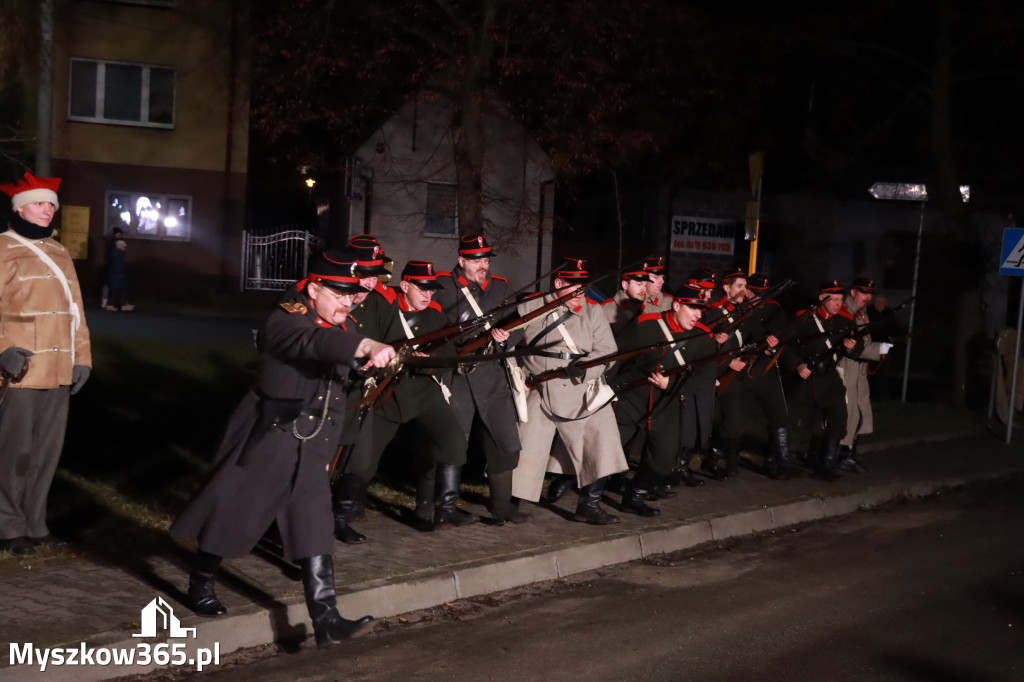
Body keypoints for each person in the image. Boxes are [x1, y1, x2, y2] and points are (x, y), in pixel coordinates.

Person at [170, 250, 395, 647]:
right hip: (269, 434)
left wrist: (372, 361)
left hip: (312, 440)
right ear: (313, 289)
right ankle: (200, 582)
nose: (348, 301)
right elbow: (315, 342)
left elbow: (335, 364)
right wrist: (363, 346)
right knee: (234, 510)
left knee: (314, 522)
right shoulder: (286, 320)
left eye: (352, 295)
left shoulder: (339, 324)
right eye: (340, 294)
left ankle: (326, 619)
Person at [0, 171, 91, 555]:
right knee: (14, 451)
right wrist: (2, 351)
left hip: (59, 369)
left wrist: (83, 358)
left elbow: (76, 312)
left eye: (51, 204)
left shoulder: (59, 252)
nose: (47, 210)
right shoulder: (2, 249)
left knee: (46, 451)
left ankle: (36, 523)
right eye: (39, 203)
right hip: (20, 368)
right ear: (20, 208)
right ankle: (7, 526)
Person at [511, 259, 628, 524]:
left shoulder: (593, 311)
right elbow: (506, 345)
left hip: (581, 387)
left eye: (583, 289)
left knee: (602, 437)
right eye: (574, 288)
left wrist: (586, 368)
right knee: (524, 446)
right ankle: (510, 502)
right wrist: (519, 377)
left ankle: (590, 504)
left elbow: (607, 351)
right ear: (558, 284)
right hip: (539, 387)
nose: (580, 295)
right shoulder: (532, 307)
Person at [366, 260, 477, 531]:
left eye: (432, 290)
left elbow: (449, 353)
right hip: (389, 396)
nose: (428, 295)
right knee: (363, 461)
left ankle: (444, 509)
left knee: (453, 442)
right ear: (404, 286)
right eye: (422, 288)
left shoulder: (436, 316)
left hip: (425, 393)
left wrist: (429, 359)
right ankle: (344, 512)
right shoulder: (385, 309)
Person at [434, 235, 528, 525]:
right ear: (461, 261)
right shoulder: (443, 288)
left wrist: (504, 337)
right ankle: (444, 506)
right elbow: (433, 333)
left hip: (492, 375)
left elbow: (517, 325)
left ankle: (501, 506)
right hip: (458, 376)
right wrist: (456, 354)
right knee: (453, 442)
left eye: (486, 260)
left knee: (503, 440)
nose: (482, 266)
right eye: (476, 261)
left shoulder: (499, 287)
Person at [609, 284, 717, 515]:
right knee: (606, 452)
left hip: (667, 405)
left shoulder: (704, 338)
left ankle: (635, 495)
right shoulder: (647, 326)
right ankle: (585, 498)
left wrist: (674, 385)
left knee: (664, 458)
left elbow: (705, 378)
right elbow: (616, 356)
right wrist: (607, 390)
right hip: (632, 399)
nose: (699, 315)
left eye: (702, 310)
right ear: (677, 305)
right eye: (693, 308)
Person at [779, 279, 860, 481]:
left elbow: (856, 348)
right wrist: (797, 365)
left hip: (830, 376)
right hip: (806, 377)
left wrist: (851, 347)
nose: (838, 304)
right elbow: (785, 346)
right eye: (834, 300)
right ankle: (780, 461)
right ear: (822, 299)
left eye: (841, 299)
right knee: (787, 419)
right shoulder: (804, 318)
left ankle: (825, 465)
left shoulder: (845, 319)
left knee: (839, 420)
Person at [837, 277, 886, 473]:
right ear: (853, 292)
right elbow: (850, 345)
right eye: (863, 293)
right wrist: (877, 349)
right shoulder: (845, 311)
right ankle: (839, 455)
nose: (867, 297)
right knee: (847, 415)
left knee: (859, 414)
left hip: (859, 372)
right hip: (847, 369)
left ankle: (847, 454)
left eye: (869, 294)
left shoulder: (862, 313)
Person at [601, 267, 651, 333]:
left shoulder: (647, 308)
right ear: (625, 285)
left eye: (646, 285)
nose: (643, 289)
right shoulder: (604, 310)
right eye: (639, 284)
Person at [105, 237, 134, 311]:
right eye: (124, 247)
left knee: (117, 290)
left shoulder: (115, 253)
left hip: (116, 275)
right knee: (118, 290)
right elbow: (119, 265)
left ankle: (118, 305)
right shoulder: (118, 254)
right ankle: (119, 305)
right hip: (118, 275)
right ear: (120, 246)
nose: (125, 249)